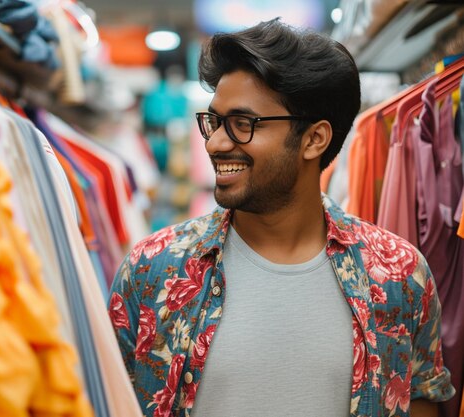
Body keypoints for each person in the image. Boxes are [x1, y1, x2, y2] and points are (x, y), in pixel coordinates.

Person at [108, 19, 455, 417]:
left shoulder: (398, 275)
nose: (216, 143)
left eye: (242, 124)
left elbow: (423, 400)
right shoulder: (154, 269)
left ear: (314, 139)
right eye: (215, 122)